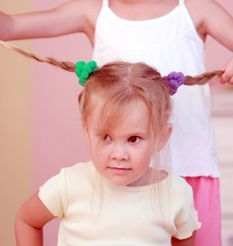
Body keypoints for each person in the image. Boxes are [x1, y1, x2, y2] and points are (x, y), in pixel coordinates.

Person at [0, 0, 233, 245]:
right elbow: (11, 25)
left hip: (192, 168)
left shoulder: (195, 9)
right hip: (123, 177)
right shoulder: (96, 12)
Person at [13, 58, 204, 245]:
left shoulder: (176, 193)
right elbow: (27, 220)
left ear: (161, 137)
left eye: (133, 139)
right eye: (106, 137)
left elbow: (184, 237)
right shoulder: (70, 184)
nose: (119, 154)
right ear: (87, 131)